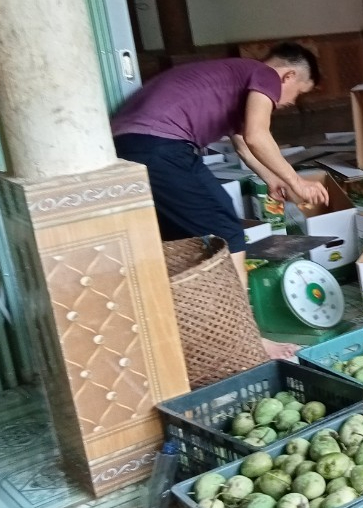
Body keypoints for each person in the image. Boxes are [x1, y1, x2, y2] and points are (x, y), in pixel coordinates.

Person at [111, 42, 328, 359]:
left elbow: (243, 144)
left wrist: (273, 180)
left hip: (126, 147)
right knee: (227, 230)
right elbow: (257, 134)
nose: (291, 103)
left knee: (180, 240)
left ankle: (190, 335)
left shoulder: (233, 77)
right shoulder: (264, 74)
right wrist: (298, 181)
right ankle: (246, 335)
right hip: (162, 145)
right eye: (298, 93)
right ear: (288, 75)